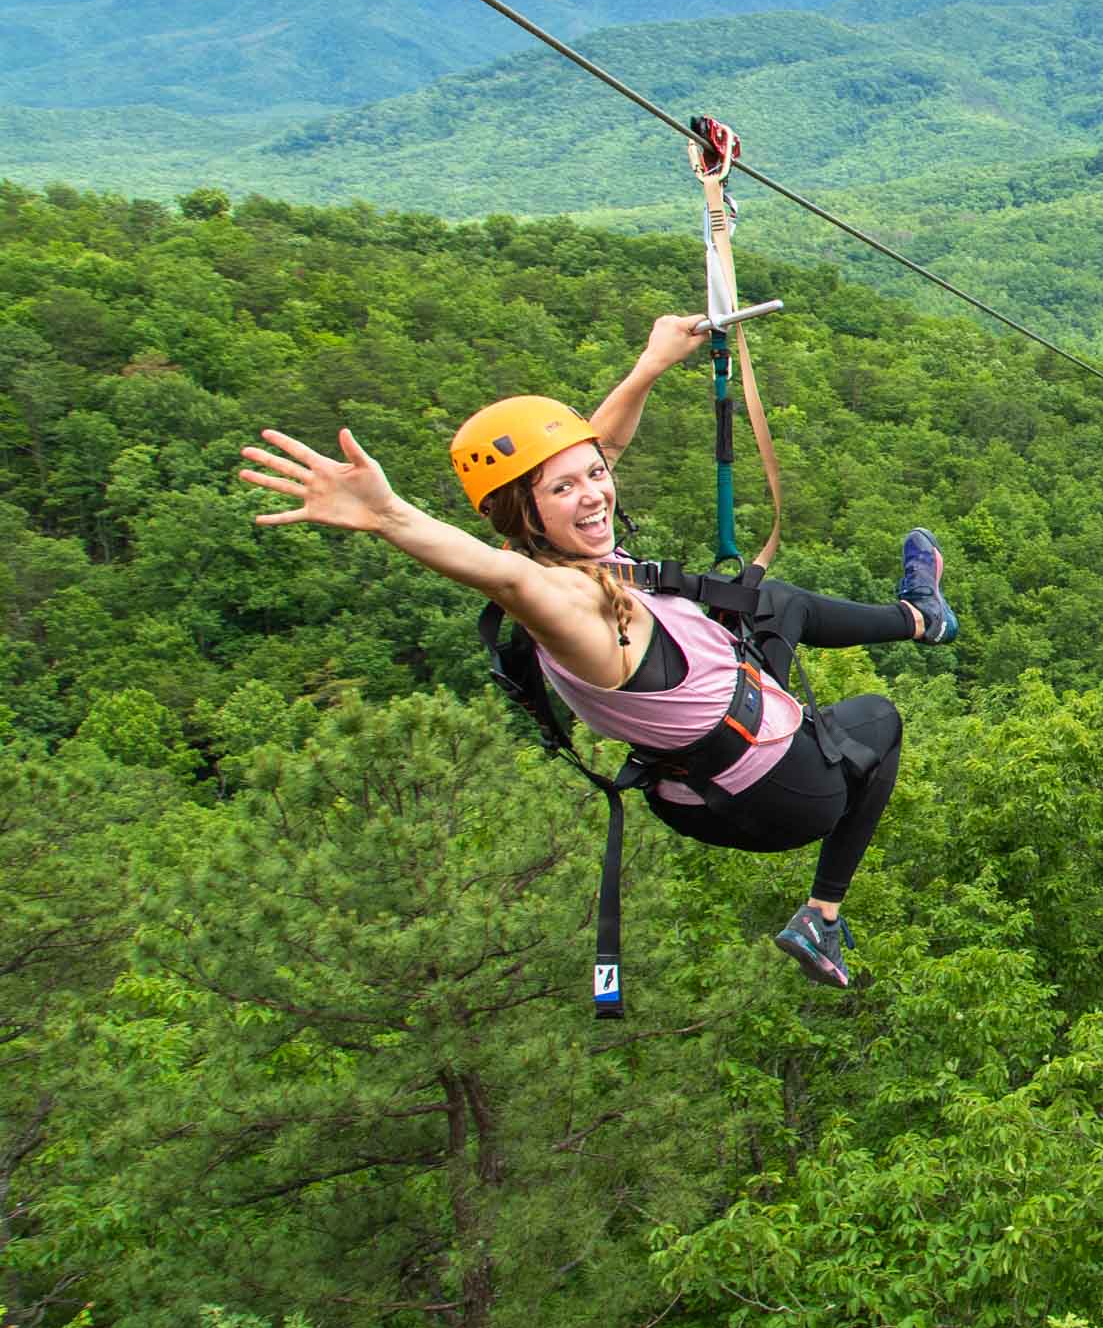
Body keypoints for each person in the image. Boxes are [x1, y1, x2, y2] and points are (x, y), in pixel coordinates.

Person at [237, 314, 958, 986]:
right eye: (565, 486)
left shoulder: (571, 554)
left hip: (693, 789)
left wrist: (649, 366)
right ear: (526, 511)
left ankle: (919, 617)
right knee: (878, 719)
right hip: (781, 793)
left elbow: (603, 441)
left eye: (595, 475)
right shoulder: (566, 604)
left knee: (775, 602)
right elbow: (501, 573)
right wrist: (390, 515)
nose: (594, 493)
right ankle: (822, 917)